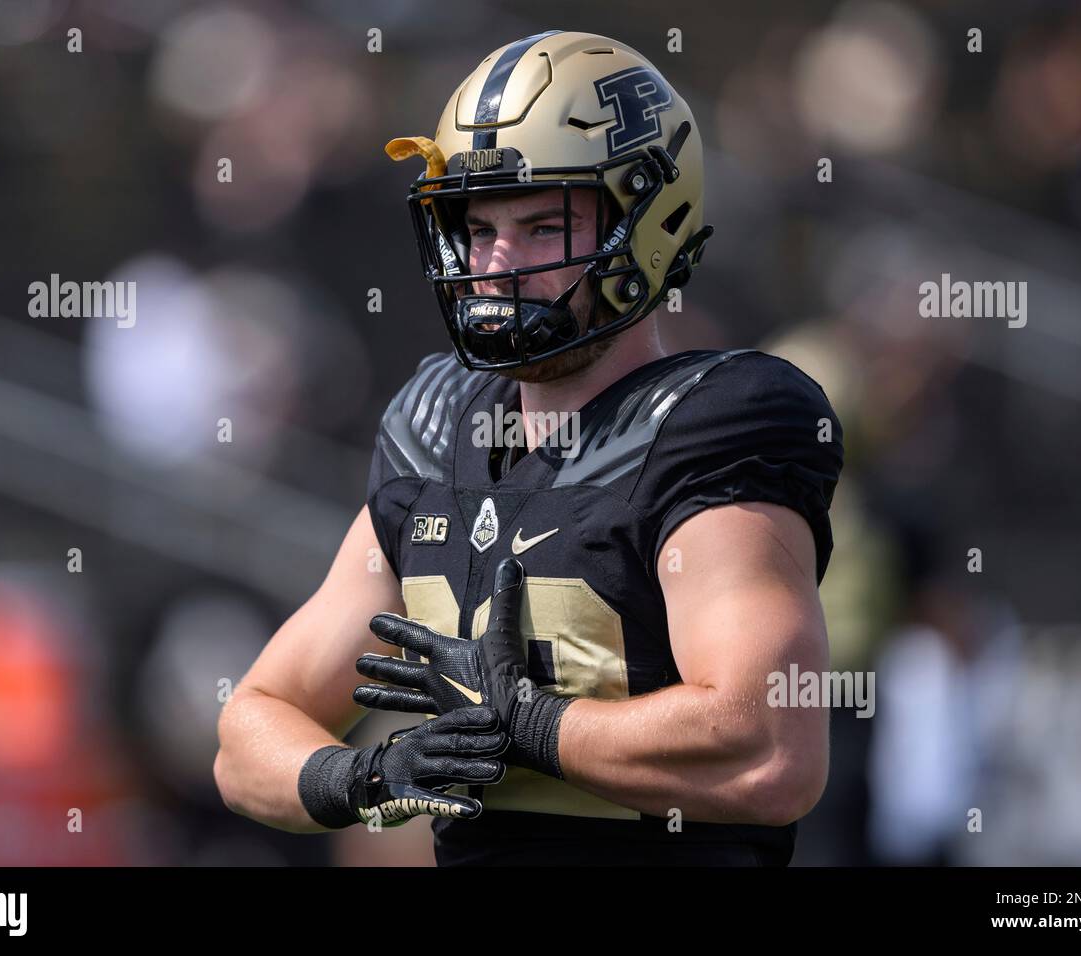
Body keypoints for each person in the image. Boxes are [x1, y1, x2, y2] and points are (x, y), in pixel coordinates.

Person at [215, 30, 844, 866]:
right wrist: (365, 775)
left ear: (647, 225)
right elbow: (251, 726)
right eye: (478, 229)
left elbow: (769, 750)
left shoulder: (711, 426)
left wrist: (536, 724)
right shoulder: (435, 432)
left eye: (545, 226)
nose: (496, 265)